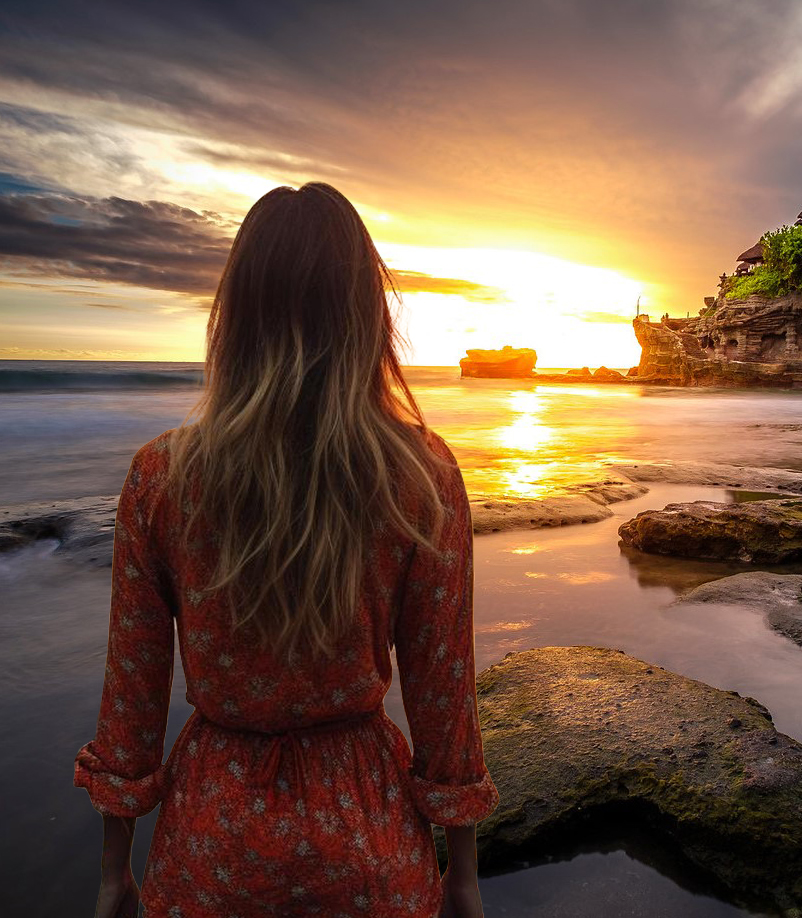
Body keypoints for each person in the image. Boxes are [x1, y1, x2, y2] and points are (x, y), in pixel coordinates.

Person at [75, 183, 498, 918]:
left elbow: (131, 703)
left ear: (234, 316)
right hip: (368, 851)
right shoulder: (421, 476)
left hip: (213, 851)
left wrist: (114, 872)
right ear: (366, 315)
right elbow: (444, 694)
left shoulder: (162, 480)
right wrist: (462, 874)